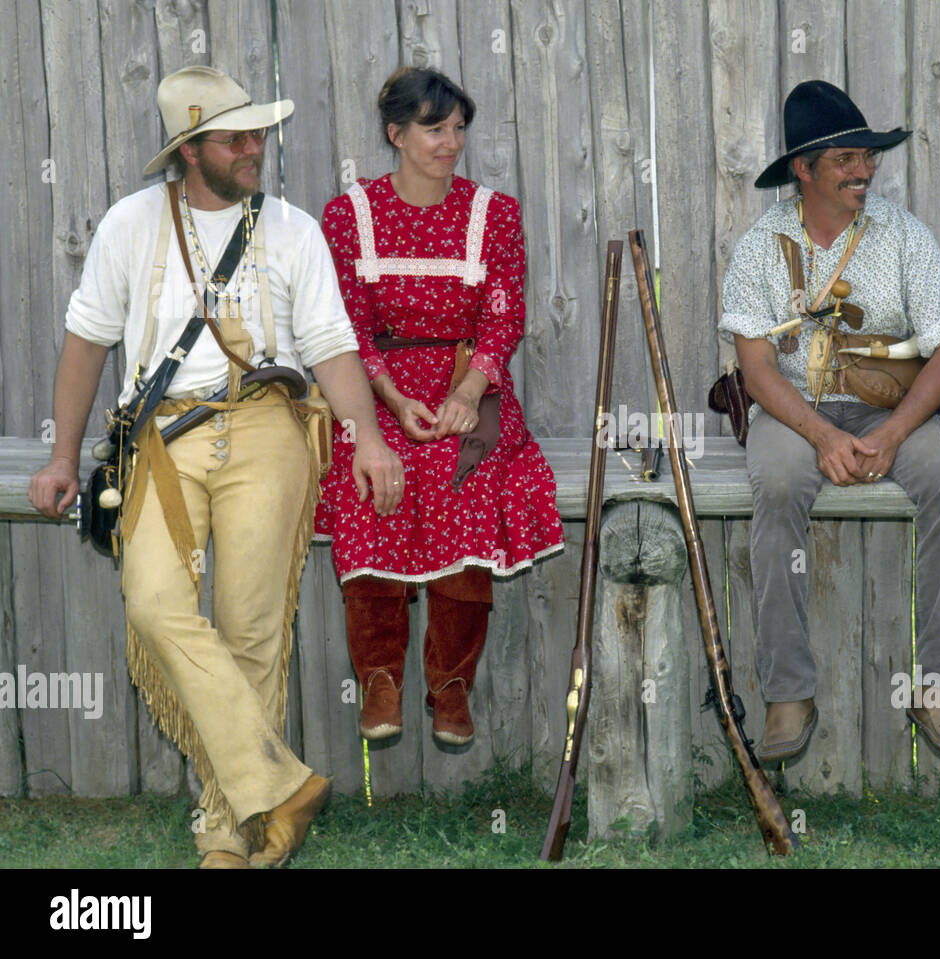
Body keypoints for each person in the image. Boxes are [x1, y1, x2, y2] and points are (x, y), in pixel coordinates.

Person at [27, 66, 402, 868]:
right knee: (155, 603)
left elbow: (333, 347)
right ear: (189, 150)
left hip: (271, 422)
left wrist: (367, 436)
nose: (254, 147)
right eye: (235, 137)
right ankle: (280, 781)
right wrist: (63, 454)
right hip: (162, 439)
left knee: (250, 627)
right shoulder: (131, 225)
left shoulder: (293, 229)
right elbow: (86, 344)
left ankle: (226, 830)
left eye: (258, 132)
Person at [719, 80, 940, 761]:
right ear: (803, 171)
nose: (863, 171)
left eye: (867, 157)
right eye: (845, 160)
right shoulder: (759, 246)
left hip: (897, 409)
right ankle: (788, 690)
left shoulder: (904, 235)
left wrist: (891, 435)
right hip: (797, 413)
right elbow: (757, 370)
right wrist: (825, 436)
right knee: (776, 484)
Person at [316, 67, 564, 747]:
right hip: (374, 391)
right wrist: (388, 399)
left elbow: (503, 316)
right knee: (367, 476)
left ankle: (452, 681)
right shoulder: (349, 215)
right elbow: (345, 328)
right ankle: (379, 677)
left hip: (466, 386)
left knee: (468, 480)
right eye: (434, 128)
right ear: (396, 134)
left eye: (458, 128)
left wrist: (469, 389)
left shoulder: (495, 214)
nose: (451, 141)